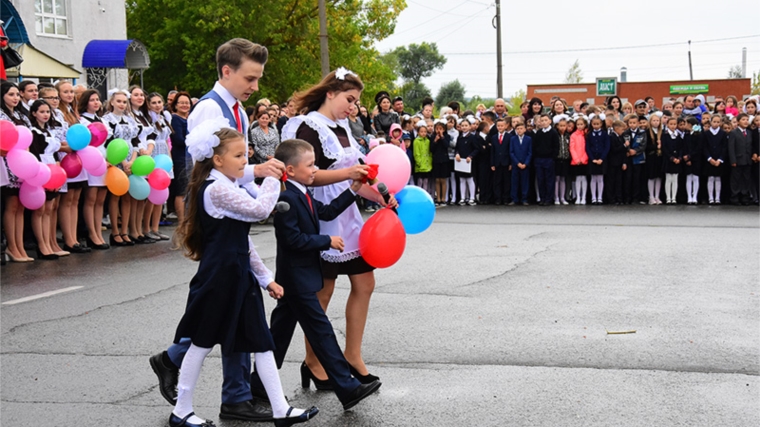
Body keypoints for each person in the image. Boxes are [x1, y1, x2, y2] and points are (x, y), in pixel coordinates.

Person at [150, 38, 285, 423]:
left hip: (235, 205)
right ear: (226, 71)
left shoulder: (235, 108)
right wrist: (259, 173)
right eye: (250, 77)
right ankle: (227, 392)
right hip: (219, 207)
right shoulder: (210, 107)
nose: (255, 86)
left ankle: (229, 391)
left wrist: (254, 180)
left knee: (235, 306)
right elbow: (210, 166)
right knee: (226, 306)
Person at [170, 122, 318, 427]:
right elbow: (260, 209)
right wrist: (275, 178)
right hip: (219, 277)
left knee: (261, 341)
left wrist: (266, 279)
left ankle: (280, 409)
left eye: (245, 155)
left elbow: (243, 241)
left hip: (238, 275)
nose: (245, 162)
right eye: (239, 156)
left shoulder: (228, 184)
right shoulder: (217, 189)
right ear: (218, 160)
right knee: (202, 342)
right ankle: (181, 410)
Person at [267, 68, 395, 397]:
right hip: (320, 216)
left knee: (365, 282)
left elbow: (356, 179)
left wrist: (380, 196)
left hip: (347, 213)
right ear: (330, 93)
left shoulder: (344, 128)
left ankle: (352, 355)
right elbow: (305, 177)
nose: (352, 107)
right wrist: (348, 174)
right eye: (349, 99)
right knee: (321, 292)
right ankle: (314, 362)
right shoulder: (305, 126)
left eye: (356, 102)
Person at [251, 138, 381, 414]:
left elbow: (327, 211)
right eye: (310, 165)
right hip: (296, 278)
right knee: (321, 331)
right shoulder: (286, 198)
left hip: (298, 278)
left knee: (280, 331)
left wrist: (353, 189)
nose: (315, 169)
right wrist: (326, 241)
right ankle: (347, 388)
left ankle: (259, 384)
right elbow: (292, 239)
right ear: (291, 169)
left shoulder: (303, 194)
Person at [0, 81, 33, 262]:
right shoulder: (1, 115)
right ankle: (12, 246)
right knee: (11, 204)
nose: (15, 98)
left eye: (16, 95)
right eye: (10, 94)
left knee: (20, 206)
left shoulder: (23, 115)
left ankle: (20, 246)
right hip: (6, 163)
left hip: (24, 162)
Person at [56, 80, 90, 253]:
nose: (69, 95)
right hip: (65, 157)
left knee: (75, 199)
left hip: (77, 157)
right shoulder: (58, 114)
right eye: (65, 92)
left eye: (71, 92)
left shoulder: (73, 112)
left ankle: (74, 237)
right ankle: (68, 238)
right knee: (67, 199)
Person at [102, 89, 140, 246]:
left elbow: (136, 141)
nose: (122, 104)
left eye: (124, 102)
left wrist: (132, 160)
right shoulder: (107, 119)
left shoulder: (130, 119)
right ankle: (115, 232)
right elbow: (110, 141)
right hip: (116, 159)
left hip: (131, 159)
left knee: (128, 196)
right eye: (118, 101)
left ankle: (125, 231)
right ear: (111, 102)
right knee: (116, 195)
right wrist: (123, 162)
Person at [29, 100, 62, 260]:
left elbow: (55, 153)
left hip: (52, 171)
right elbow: (34, 154)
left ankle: (49, 242)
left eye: (47, 112)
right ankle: (41, 245)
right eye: (42, 112)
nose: (45, 115)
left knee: (49, 209)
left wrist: (57, 171)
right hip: (40, 170)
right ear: (34, 113)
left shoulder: (50, 132)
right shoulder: (33, 132)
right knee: (40, 209)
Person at [78, 89, 112, 249]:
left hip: (104, 159)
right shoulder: (82, 121)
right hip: (91, 160)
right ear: (86, 102)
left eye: (98, 99)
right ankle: (91, 233)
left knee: (100, 200)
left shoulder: (102, 120)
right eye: (92, 100)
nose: (96, 102)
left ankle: (98, 232)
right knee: (91, 199)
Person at [145, 92, 173, 240]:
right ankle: (146, 227)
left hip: (164, 155)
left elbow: (167, 140)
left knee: (161, 194)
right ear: (148, 105)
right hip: (154, 154)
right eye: (154, 103)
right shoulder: (148, 119)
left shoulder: (165, 118)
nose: (157, 105)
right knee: (151, 194)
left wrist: (170, 158)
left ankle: (155, 227)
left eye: (159, 102)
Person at [169, 91, 192, 225]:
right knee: (181, 191)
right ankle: (182, 220)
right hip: (180, 159)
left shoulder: (190, 118)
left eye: (187, 103)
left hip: (190, 159)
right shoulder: (175, 119)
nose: (185, 105)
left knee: (189, 190)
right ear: (175, 105)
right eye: (181, 103)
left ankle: (189, 219)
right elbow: (178, 139)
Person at [531, 114, 559, 206]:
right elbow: (535, 146)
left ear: (550, 121)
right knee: (540, 179)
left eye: (545, 120)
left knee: (549, 179)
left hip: (549, 159)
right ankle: (542, 198)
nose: (543, 122)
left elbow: (556, 147)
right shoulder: (539, 133)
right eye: (542, 121)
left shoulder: (553, 132)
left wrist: (552, 157)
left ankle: (549, 198)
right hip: (539, 159)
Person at [728, 113, 753, 205]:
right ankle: (735, 197)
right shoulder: (734, 133)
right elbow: (731, 147)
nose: (746, 121)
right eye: (743, 120)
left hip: (747, 160)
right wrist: (733, 160)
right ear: (738, 122)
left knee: (746, 179)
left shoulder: (749, 133)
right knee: (736, 179)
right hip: (737, 160)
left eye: (747, 119)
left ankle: (745, 197)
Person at [623, 114, 647, 204]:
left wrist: (635, 151)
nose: (632, 125)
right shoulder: (625, 133)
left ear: (637, 123)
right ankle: (627, 197)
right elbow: (624, 143)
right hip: (628, 159)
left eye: (634, 123)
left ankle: (636, 198)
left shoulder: (642, 132)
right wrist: (629, 150)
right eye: (630, 123)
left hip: (638, 159)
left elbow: (643, 145)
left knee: (637, 179)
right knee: (628, 178)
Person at [585, 115, 610, 205]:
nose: (596, 125)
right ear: (591, 124)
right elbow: (587, 147)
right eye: (594, 124)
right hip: (593, 159)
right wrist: (592, 159)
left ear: (601, 124)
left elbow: (607, 147)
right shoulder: (589, 134)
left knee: (600, 178)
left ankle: (600, 197)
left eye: (598, 124)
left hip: (601, 159)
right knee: (593, 178)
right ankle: (593, 197)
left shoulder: (604, 134)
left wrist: (601, 158)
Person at [703, 115, 727, 204]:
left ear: (720, 123)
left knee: (718, 178)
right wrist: (709, 158)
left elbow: (724, 147)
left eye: (718, 122)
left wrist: (720, 159)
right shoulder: (706, 133)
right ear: (710, 122)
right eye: (714, 122)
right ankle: (710, 197)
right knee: (710, 178)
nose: (716, 124)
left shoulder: (723, 133)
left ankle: (717, 198)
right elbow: (704, 147)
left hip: (719, 160)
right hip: (710, 160)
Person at [455, 118, 477, 205]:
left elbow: (476, 149)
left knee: (470, 179)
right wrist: (457, 154)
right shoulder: (459, 137)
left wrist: (471, 156)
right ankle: (463, 197)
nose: (464, 127)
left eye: (466, 125)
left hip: (469, 161)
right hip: (461, 161)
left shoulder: (472, 137)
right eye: (462, 126)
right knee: (462, 180)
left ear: (470, 126)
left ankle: (472, 197)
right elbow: (457, 148)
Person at [661, 117, 682, 204]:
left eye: (674, 124)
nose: (673, 126)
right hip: (668, 160)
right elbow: (664, 148)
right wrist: (672, 158)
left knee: (675, 179)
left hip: (677, 160)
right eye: (671, 124)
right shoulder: (665, 135)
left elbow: (681, 148)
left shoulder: (678, 136)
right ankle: (668, 198)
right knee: (668, 179)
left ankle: (674, 197)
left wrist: (679, 158)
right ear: (667, 125)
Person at [509, 122, 531, 205]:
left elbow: (530, 152)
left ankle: (524, 199)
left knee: (525, 182)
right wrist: (517, 163)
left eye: (521, 128)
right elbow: (511, 152)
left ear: (525, 129)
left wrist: (525, 163)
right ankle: (514, 199)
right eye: (517, 129)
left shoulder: (528, 139)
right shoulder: (513, 139)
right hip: (516, 164)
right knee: (514, 182)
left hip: (525, 164)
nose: (519, 130)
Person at [682, 117, 703, 205]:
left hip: (696, 159)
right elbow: (685, 147)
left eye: (686, 123)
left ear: (690, 124)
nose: (685, 125)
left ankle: (695, 196)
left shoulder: (698, 135)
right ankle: (689, 197)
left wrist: (690, 156)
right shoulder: (686, 135)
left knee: (695, 177)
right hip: (687, 158)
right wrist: (686, 158)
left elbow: (698, 148)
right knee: (689, 177)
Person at [607, 120, 628, 205]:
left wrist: (624, 162)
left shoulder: (621, 137)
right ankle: (611, 198)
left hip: (619, 162)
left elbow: (623, 152)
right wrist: (624, 145)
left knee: (619, 181)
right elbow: (614, 150)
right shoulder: (611, 137)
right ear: (616, 128)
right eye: (622, 129)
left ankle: (619, 198)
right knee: (611, 181)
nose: (623, 132)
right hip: (612, 162)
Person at [570, 117, 589, 205]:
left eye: (581, 124)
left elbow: (588, 148)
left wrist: (583, 158)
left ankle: (584, 197)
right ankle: (578, 197)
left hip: (585, 159)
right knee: (577, 178)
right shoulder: (573, 135)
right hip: (576, 160)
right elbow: (572, 148)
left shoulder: (587, 134)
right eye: (578, 124)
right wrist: (577, 159)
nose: (580, 126)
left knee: (584, 178)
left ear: (585, 124)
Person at [645, 114, 664, 205]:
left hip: (659, 156)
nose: (656, 122)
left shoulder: (662, 132)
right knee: (651, 176)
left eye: (657, 121)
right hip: (651, 156)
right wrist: (656, 146)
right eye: (654, 121)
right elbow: (646, 146)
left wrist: (661, 147)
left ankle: (657, 196)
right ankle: (651, 196)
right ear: (650, 122)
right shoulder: (647, 132)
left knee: (658, 177)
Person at [430, 121, 450, 206]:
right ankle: (438, 198)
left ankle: (443, 198)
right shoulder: (433, 137)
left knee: (443, 179)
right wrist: (435, 141)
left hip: (444, 159)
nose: (438, 130)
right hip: (436, 159)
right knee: (437, 179)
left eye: (441, 129)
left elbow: (447, 145)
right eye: (437, 129)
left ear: (444, 129)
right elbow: (431, 149)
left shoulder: (447, 136)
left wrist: (442, 137)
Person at [413, 120, 433, 197]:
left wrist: (430, 162)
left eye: (425, 131)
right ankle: (419, 195)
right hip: (420, 166)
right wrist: (419, 163)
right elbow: (416, 153)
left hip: (427, 165)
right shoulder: (416, 141)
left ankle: (425, 195)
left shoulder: (428, 141)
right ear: (418, 132)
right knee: (420, 181)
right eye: (421, 132)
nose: (423, 133)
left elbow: (430, 152)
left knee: (426, 181)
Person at [553, 115, 570, 205]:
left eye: (564, 126)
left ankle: (562, 197)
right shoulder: (555, 135)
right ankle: (556, 197)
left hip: (565, 159)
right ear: (557, 126)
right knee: (557, 179)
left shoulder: (568, 135)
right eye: (561, 126)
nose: (562, 127)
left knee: (563, 179)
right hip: (557, 159)